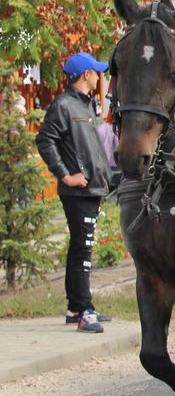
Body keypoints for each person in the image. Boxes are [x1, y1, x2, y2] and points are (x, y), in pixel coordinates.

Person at [35, 52, 117, 333]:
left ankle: (74, 308)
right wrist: (66, 175)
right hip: (78, 191)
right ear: (85, 75)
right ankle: (85, 311)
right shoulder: (64, 106)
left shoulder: (85, 106)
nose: (98, 76)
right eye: (96, 72)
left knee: (80, 248)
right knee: (83, 251)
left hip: (92, 187)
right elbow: (45, 139)